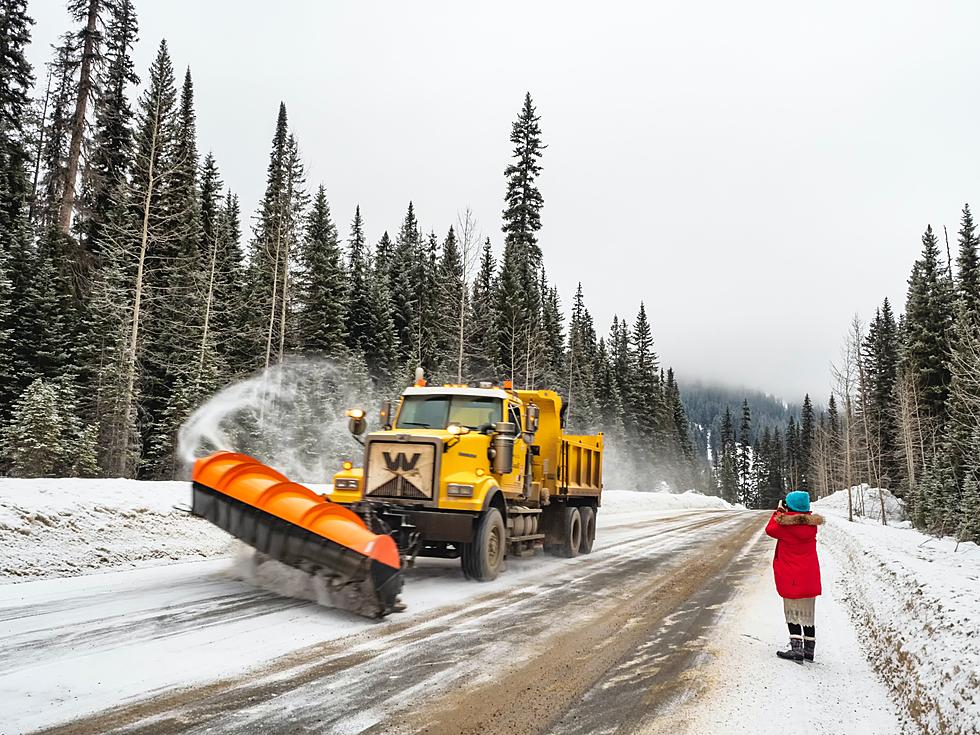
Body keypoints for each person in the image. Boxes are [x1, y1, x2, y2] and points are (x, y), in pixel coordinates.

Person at [764, 490, 824, 663]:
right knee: (808, 614)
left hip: (791, 577)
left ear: (790, 506)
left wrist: (778, 513)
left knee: (792, 612)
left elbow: (770, 529)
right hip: (809, 576)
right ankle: (809, 652)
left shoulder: (786, 527)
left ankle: (796, 651)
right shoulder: (812, 526)